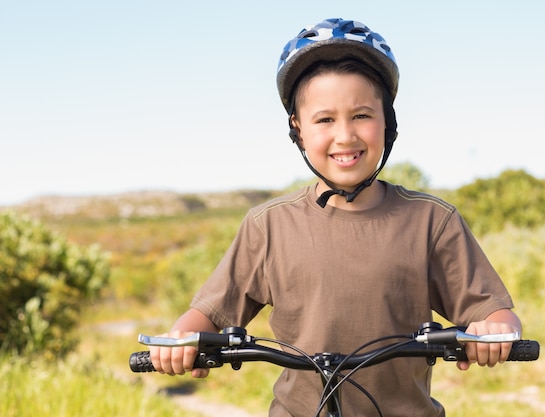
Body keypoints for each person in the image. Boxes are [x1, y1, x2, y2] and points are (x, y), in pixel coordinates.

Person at [148, 18, 522, 417]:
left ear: (387, 122)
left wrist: (493, 332)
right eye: (325, 120)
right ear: (299, 130)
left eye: (361, 115)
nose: (345, 136)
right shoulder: (269, 226)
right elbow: (208, 313)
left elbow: (494, 312)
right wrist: (183, 339)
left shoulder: (431, 221)